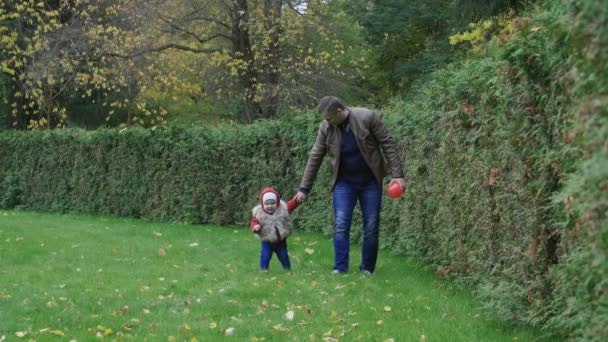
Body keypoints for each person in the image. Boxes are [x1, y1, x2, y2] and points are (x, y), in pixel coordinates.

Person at [294, 96, 407, 275]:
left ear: (339, 111)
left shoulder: (367, 117)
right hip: (343, 183)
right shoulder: (326, 128)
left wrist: (398, 175)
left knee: (371, 225)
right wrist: (304, 188)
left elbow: (388, 144)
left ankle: (367, 269)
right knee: (340, 223)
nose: (327, 122)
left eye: (329, 118)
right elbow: (315, 156)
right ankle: (340, 268)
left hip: (370, 181)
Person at [250, 187, 299, 273]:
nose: (270, 206)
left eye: (272, 203)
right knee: (265, 256)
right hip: (267, 241)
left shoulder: (282, 209)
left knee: (284, 256)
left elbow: (291, 205)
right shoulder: (259, 213)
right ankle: (263, 270)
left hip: (281, 241)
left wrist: (297, 200)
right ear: (262, 204)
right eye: (267, 204)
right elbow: (254, 222)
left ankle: (287, 269)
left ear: (277, 203)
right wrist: (256, 227)